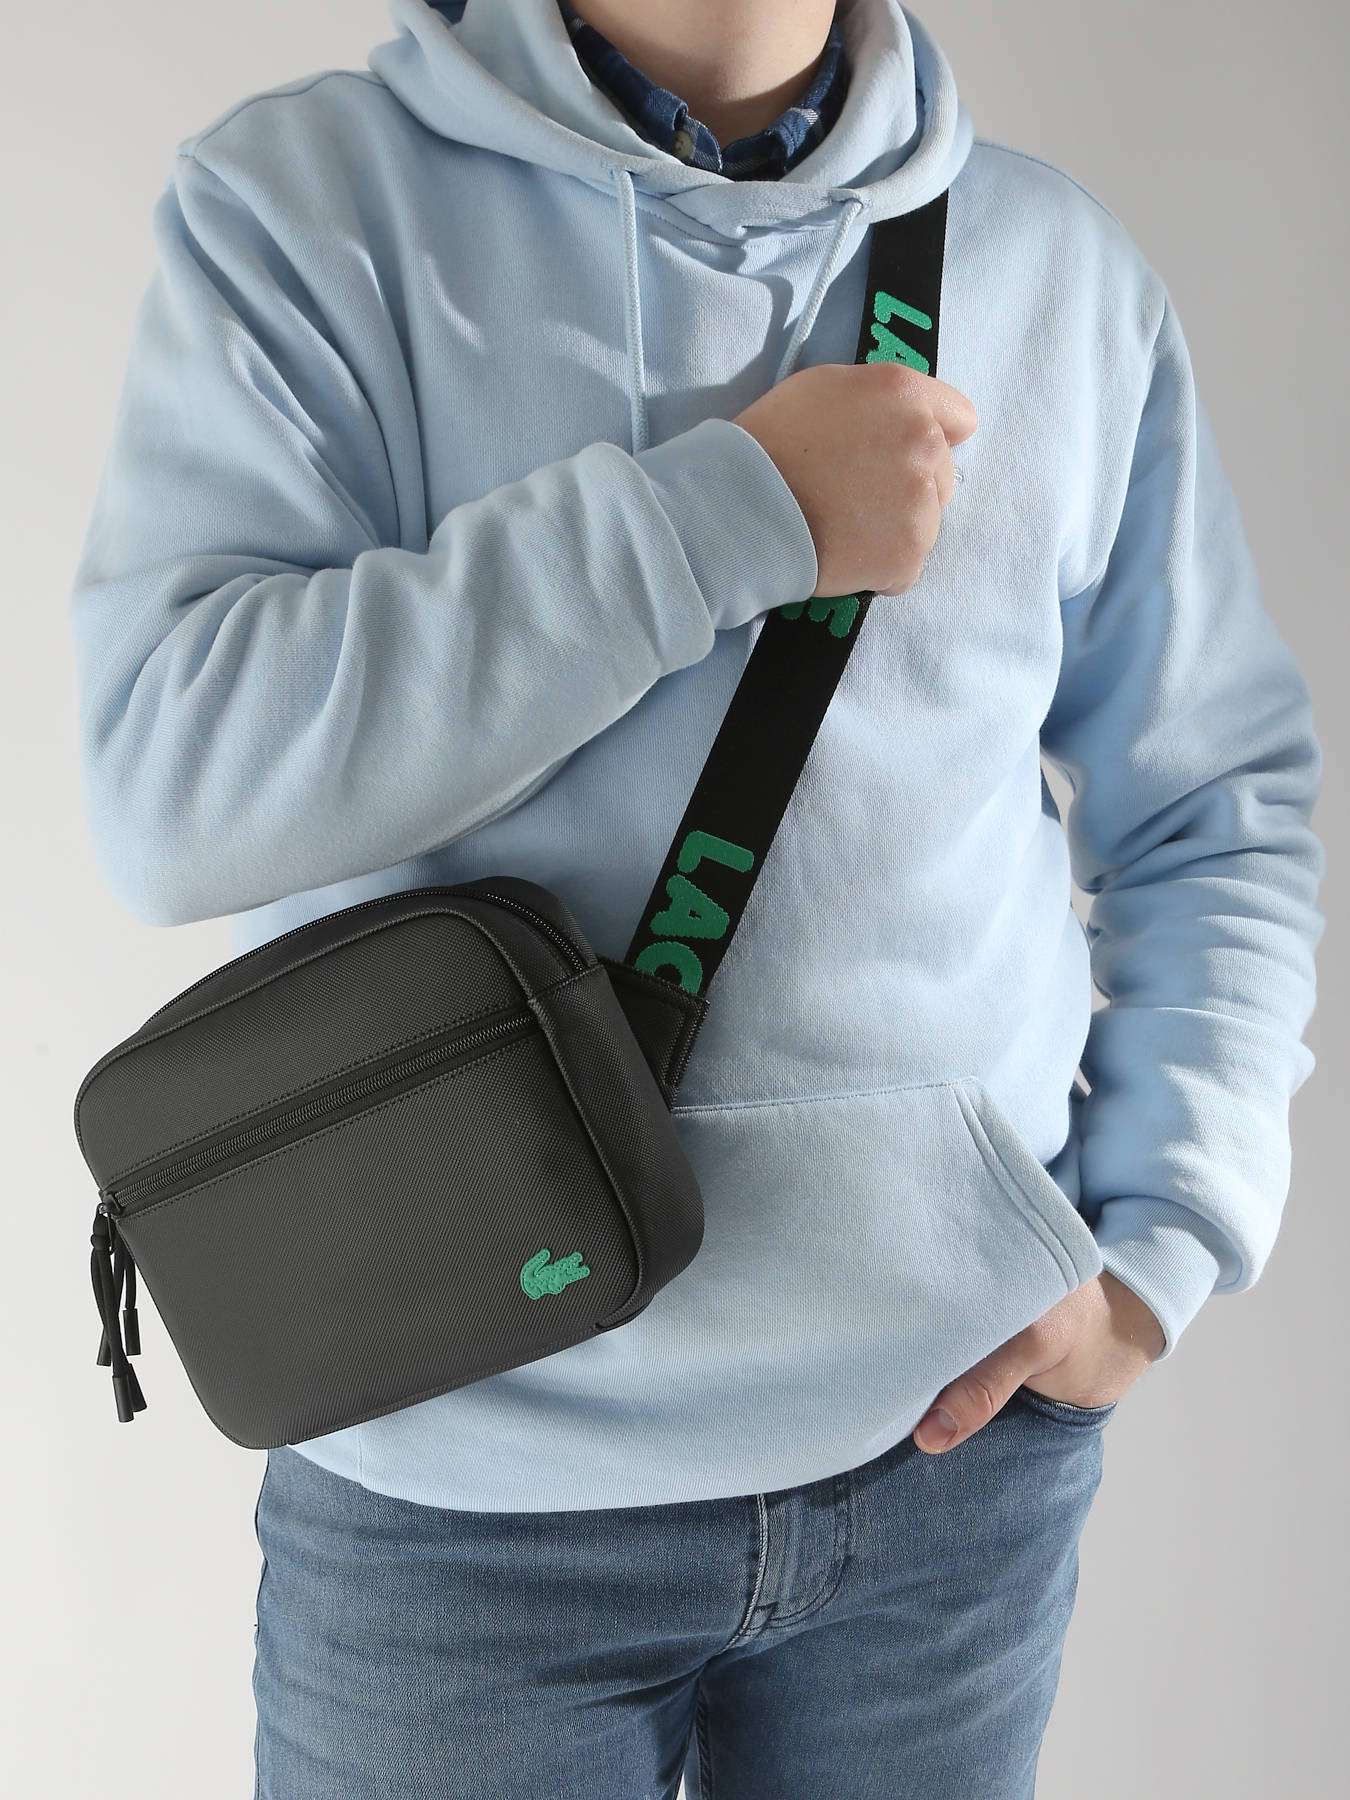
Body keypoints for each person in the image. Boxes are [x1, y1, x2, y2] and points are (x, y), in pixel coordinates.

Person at [67, 0, 1325, 1794]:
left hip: (950, 1475)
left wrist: (1158, 1249)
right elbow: (171, 785)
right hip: (459, 1499)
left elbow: (1212, 807)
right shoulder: (306, 209)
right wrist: (722, 516)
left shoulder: (1056, 268)